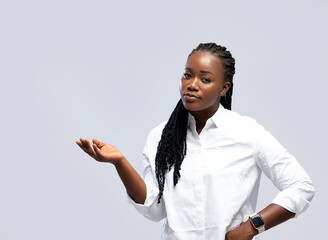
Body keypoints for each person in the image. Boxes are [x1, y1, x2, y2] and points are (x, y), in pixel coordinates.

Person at [76, 43, 315, 240]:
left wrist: (252, 227)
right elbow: (154, 209)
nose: (191, 85)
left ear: (224, 88)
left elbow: (301, 186)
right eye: (187, 75)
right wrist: (119, 162)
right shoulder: (161, 137)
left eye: (205, 79)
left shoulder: (247, 132)